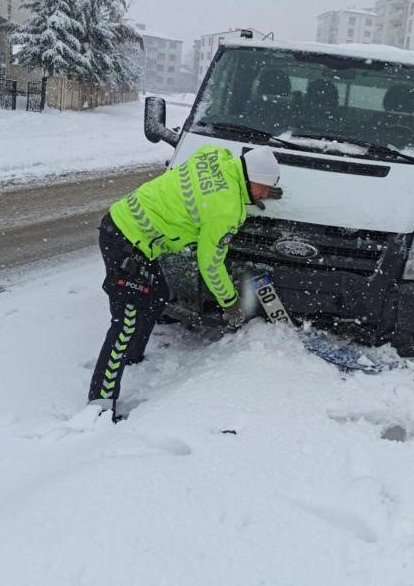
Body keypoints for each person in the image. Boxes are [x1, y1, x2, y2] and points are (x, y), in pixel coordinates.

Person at [88, 144, 281, 419]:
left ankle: (132, 356)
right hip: (127, 242)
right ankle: (100, 404)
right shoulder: (225, 209)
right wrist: (229, 302)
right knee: (125, 321)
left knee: (157, 295)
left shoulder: (217, 156)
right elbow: (210, 263)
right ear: (251, 179)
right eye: (263, 188)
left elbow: (202, 168)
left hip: (126, 226)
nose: (264, 195)